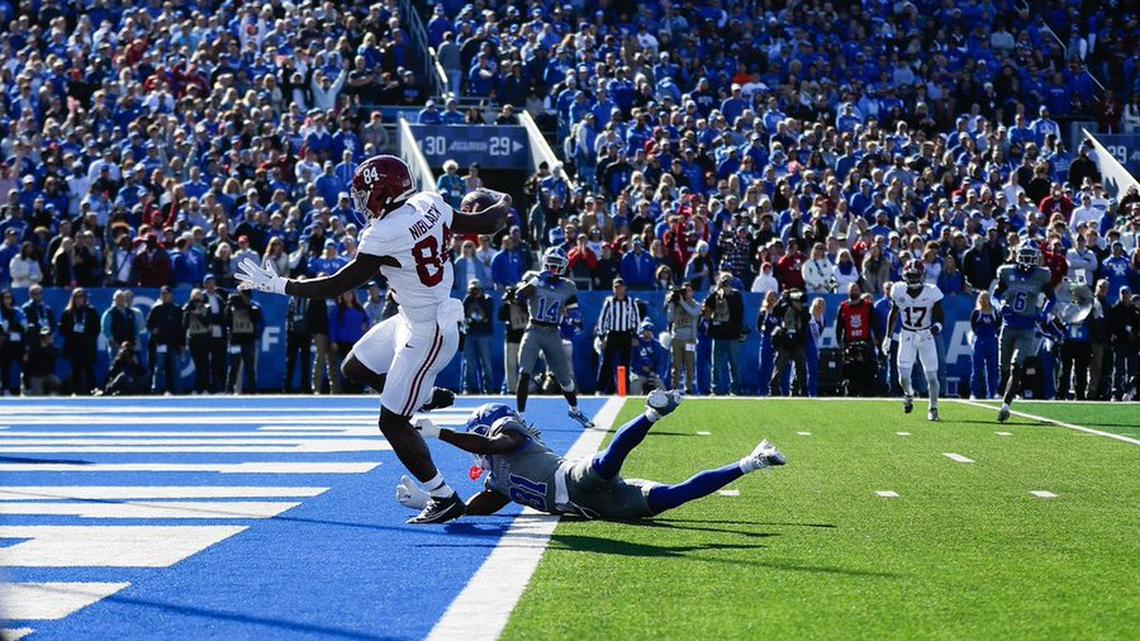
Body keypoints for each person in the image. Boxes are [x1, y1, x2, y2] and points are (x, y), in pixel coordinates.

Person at [235, 154, 509, 524]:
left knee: (391, 423)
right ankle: (423, 396)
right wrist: (503, 199)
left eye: (367, 194)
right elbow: (489, 220)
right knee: (355, 367)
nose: (363, 204)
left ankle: (443, 496)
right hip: (412, 318)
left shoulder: (384, 232)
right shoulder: (431, 201)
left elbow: (338, 285)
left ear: (384, 192)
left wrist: (280, 285)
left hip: (429, 330)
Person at [397, 393, 786, 521]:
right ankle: (752, 461)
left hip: (572, 479)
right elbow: (477, 508)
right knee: (671, 497)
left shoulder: (508, 437)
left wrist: (439, 433)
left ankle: (652, 412)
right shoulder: (495, 482)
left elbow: (491, 446)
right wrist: (434, 499)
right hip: (594, 508)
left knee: (605, 463)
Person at [514, 248, 593, 428]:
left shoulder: (568, 286)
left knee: (565, 379)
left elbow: (573, 309)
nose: (554, 269)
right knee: (524, 372)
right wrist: (537, 279)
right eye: (551, 265)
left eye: (558, 265)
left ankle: (575, 410)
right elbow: (518, 297)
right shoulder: (534, 279)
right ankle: (520, 416)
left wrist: (577, 319)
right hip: (533, 329)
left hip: (552, 333)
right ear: (545, 263)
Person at [993, 245, 1054, 422]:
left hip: (1026, 327)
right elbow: (995, 295)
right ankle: (1004, 395)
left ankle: (1006, 405)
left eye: (1030, 257)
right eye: (1024, 256)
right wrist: (999, 306)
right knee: (1004, 368)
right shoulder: (1006, 272)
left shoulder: (1041, 276)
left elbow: (1052, 298)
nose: (1027, 261)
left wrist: (1044, 312)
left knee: (1016, 365)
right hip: (1008, 325)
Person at [884, 260, 946, 421]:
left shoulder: (932, 291)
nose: (913, 279)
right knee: (903, 376)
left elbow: (940, 318)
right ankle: (909, 394)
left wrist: (933, 330)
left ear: (922, 276)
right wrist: (888, 337)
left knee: (932, 376)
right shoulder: (898, 290)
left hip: (925, 336)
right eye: (910, 276)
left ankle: (933, 408)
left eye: (916, 275)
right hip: (907, 335)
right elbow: (894, 313)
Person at [594, 277, 641, 395]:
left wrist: (635, 336)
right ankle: (601, 389)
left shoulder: (631, 301)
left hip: (626, 334)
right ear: (613, 289)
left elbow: (636, 320)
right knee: (607, 363)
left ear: (625, 288)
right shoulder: (609, 302)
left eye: (620, 287)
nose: (619, 290)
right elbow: (602, 320)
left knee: (625, 363)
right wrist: (602, 337)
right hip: (612, 334)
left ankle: (624, 390)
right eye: (616, 287)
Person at [703, 272, 744, 395]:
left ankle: (735, 389)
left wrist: (729, 295)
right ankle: (716, 389)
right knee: (716, 365)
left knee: (734, 364)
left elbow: (739, 313)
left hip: (732, 335)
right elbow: (706, 309)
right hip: (718, 335)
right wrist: (717, 291)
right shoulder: (715, 295)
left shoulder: (736, 295)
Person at [835, 283, 878, 397]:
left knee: (869, 369)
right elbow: (839, 326)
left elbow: (875, 324)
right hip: (850, 343)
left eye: (856, 289)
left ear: (860, 291)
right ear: (848, 292)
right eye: (852, 290)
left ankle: (868, 392)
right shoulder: (843, 307)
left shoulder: (868, 306)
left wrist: (878, 340)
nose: (854, 291)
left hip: (866, 342)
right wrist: (839, 341)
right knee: (851, 370)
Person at [769, 289, 810, 396]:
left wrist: (797, 306)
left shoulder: (804, 309)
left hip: (798, 340)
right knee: (780, 364)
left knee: (801, 366)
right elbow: (775, 312)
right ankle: (774, 388)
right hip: (784, 339)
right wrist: (782, 299)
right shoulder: (785, 307)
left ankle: (802, 389)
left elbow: (807, 318)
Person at [328, 290, 370, 393]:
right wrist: (333, 341)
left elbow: (367, 320)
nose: (347, 295)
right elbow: (332, 326)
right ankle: (346, 389)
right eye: (345, 294)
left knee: (359, 367)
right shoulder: (338, 310)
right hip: (343, 343)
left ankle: (358, 389)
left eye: (349, 293)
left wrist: (366, 325)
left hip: (357, 343)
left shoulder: (359, 308)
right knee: (345, 368)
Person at [60, 288, 99, 395]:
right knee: (75, 369)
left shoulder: (91, 311)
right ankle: (76, 391)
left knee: (88, 368)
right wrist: (71, 334)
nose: (79, 299)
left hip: (87, 345)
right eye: (77, 296)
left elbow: (96, 328)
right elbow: (62, 329)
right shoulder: (68, 312)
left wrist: (88, 337)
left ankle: (92, 390)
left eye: (81, 296)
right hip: (73, 345)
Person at [146, 286, 184, 395]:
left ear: (171, 295)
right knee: (159, 368)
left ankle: (177, 390)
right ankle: (155, 389)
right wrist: (154, 331)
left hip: (174, 343)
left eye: (167, 294)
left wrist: (182, 343)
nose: (165, 296)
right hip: (160, 343)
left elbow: (182, 328)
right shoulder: (156, 309)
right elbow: (149, 325)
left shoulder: (177, 310)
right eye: (163, 294)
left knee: (175, 368)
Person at [224, 288, 262, 394]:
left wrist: (247, 306)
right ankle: (229, 390)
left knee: (250, 368)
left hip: (249, 341)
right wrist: (229, 305)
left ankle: (252, 391)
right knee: (233, 368)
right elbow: (227, 321)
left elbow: (256, 320)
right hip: (235, 341)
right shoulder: (232, 307)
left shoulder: (254, 307)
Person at [665, 283, 700, 394]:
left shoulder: (695, 304)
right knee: (676, 365)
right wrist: (671, 303)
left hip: (690, 339)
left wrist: (682, 302)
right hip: (677, 339)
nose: (687, 293)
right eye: (685, 291)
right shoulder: (676, 305)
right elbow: (670, 318)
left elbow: (693, 313)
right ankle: (675, 388)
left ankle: (688, 387)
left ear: (693, 292)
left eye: (689, 291)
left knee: (690, 365)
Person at [461, 280, 494, 394]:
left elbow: (488, 314)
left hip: (483, 334)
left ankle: (488, 389)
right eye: (472, 290)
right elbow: (463, 315)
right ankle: (467, 388)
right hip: (470, 334)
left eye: (476, 290)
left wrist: (479, 299)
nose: (474, 292)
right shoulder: (467, 299)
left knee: (486, 363)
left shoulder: (487, 299)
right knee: (469, 363)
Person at [498, 284, 529, 394]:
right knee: (510, 365)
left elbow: (529, 313)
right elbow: (500, 316)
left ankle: (526, 388)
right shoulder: (507, 307)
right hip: (511, 339)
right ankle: (511, 389)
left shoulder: (525, 304)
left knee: (526, 366)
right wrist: (507, 302)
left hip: (524, 338)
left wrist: (520, 302)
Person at [969, 291, 1001, 400]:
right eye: (982, 298)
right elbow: (973, 326)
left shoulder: (994, 312)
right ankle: (974, 393)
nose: (985, 301)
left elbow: (998, 325)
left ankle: (992, 393)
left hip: (991, 341)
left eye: (987, 298)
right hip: (979, 340)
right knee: (977, 368)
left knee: (992, 368)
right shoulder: (977, 313)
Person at [201, 275, 229, 393]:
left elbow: (224, 315)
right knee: (207, 362)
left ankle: (222, 387)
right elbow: (202, 315)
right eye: (208, 283)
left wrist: (217, 320)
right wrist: (212, 320)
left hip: (219, 333)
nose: (211, 286)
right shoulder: (201, 298)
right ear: (204, 285)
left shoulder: (219, 298)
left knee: (220, 360)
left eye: (212, 283)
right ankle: (207, 387)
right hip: (206, 333)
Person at [183, 288, 213, 395]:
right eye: (195, 299)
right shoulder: (188, 308)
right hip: (193, 339)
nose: (197, 302)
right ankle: (198, 388)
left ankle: (205, 388)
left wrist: (198, 314)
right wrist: (188, 312)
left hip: (204, 339)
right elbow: (184, 325)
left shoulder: (207, 308)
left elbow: (208, 324)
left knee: (205, 365)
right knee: (198, 365)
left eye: (199, 299)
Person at [285, 286, 314, 393]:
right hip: (293, 334)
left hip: (305, 334)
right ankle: (287, 388)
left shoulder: (309, 299)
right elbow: (289, 316)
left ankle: (305, 387)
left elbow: (311, 315)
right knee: (290, 361)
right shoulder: (292, 299)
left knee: (305, 362)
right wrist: (289, 330)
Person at [630, 321, 666, 394]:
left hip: (653, 373)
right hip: (639, 373)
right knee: (635, 383)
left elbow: (660, 362)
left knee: (659, 383)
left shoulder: (656, 344)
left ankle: (665, 402)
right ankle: (634, 402)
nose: (647, 333)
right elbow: (632, 361)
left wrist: (656, 372)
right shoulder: (636, 343)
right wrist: (641, 367)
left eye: (649, 331)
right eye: (646, 331)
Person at [23, 327, 59, 395]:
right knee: (38, 396)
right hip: (36, 377)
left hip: (47, 376)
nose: (49, 337)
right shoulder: (33, 349)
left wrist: (45, 347)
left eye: (49, 336)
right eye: (46, 336)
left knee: (55, 381)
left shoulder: (53, 349)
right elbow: (27, 367)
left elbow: (52, 355)